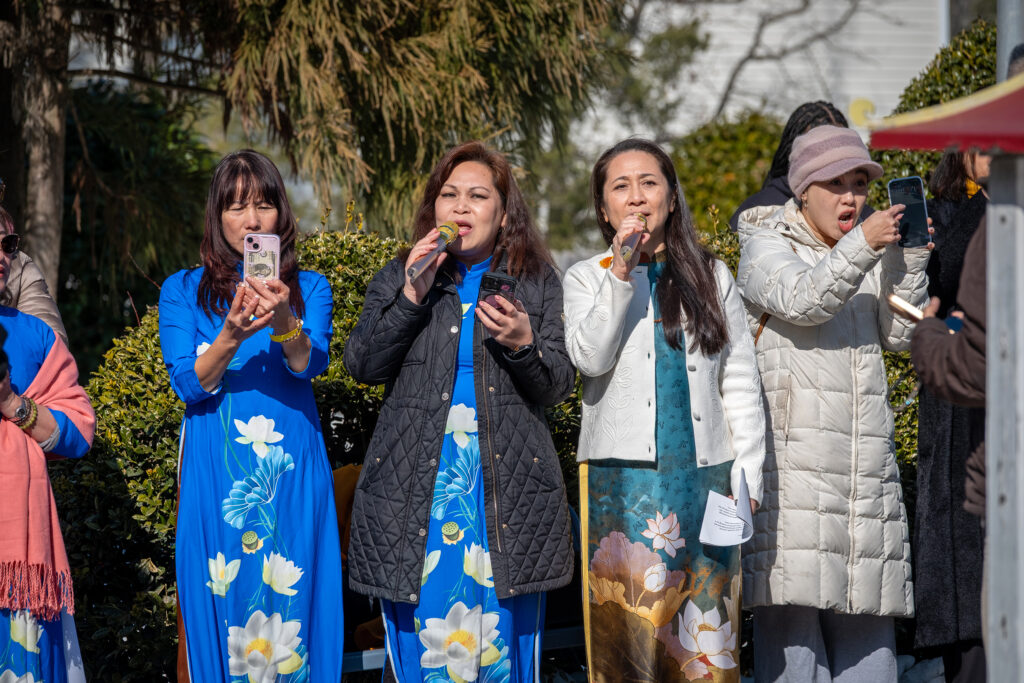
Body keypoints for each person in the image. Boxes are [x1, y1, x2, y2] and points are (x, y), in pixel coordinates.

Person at [344, 141, 575, 682]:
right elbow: (362, 364)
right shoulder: (404, 271)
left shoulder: (537, 279)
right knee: (428, 637)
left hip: (505, 488)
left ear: (503, 211)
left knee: (501, 642)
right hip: (417, 488)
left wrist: (523, 343)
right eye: (449, 195)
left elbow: (557, 384)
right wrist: (410, 295)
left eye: (478, 196)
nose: (462, 207)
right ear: (434, 208)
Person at [563, 138, 766, 682]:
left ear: (672, 198)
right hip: (620, 488)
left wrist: (747, 482)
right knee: (629, 638)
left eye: (649, 183)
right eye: (620, 187)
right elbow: (590, 356)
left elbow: (740, 383)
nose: (636, 198)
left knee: (705, 642)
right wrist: (621, 275)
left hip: (707, 482)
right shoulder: (586, 277)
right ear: (604, 209)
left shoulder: (712, 276)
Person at [736, 125, 931, 682]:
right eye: (834, 183)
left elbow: (902, 333)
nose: (851, 197)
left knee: (872, 658)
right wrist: (865, 245)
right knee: (796, 659)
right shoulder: (763, 246)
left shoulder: (865, 250)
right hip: (791, 482)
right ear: (802, 190)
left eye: (859, 184)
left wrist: (908, 261)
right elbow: (805, 298)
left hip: (863, 481)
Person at [159, 150, 344, 682]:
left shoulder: (310, 288)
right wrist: (231, 334)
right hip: (216, 473)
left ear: (281, 216)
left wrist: (284, 315)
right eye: (237, 206)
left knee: (297, 595)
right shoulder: (182, 290)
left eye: (263, 205)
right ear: (218, 218)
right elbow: (187, 384)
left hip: (292, 470)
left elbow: (309, 364)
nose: (252, 220)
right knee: (223, 597)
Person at [0, 208, 94, 682]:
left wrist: (13, 403)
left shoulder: (34, 336)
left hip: (19, 572)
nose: (1, 256)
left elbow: (78, 432)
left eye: (8, 245)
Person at [910, 148, 990, 682]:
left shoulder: (999, 215)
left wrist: (932, 334)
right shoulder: (941, 211)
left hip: (976, 400)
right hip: (953, 409)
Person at [728, 101, 873, 232]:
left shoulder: (866, 218)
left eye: (842, 141)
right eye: (835, 182)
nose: (849, 198)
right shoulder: (757, 215)